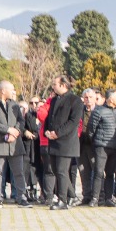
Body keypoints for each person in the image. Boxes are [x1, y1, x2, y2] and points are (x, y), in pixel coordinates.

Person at [42, 77, 83, 210]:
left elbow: (73, 122)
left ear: (63, 85)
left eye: (55, 84)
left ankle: (62, 200)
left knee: (61, 170)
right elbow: (50, 118)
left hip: (66, 142)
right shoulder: (54, 100)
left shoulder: (75, 100)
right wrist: (47, 131)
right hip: (53, 141)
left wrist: (57, 133)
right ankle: (70, 196)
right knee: (56, 170)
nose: (52, 87)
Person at [87, 91, 116, 207]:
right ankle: (95, 198)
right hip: (101, 146)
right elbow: (91, 129)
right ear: (110, 99)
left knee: (110, 173)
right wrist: (94, 142)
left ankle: (108, 198)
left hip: (115, 147)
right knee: (99, 172)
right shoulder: (99, 111)